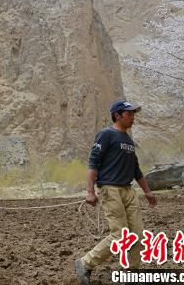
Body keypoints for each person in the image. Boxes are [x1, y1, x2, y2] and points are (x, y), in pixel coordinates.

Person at [75, 100, 157, 285]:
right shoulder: (106, 135)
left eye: (133, 114)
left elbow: (136, 170)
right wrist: (90, 191)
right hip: (110, 189)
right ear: (117, 115)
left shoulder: (128, 140)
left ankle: (131, 271)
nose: (132, 117)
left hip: (128, 190)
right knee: (120, 234)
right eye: (129, 114)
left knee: (138, 234)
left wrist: (148, 192)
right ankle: (85, 263)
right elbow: (93, 163)